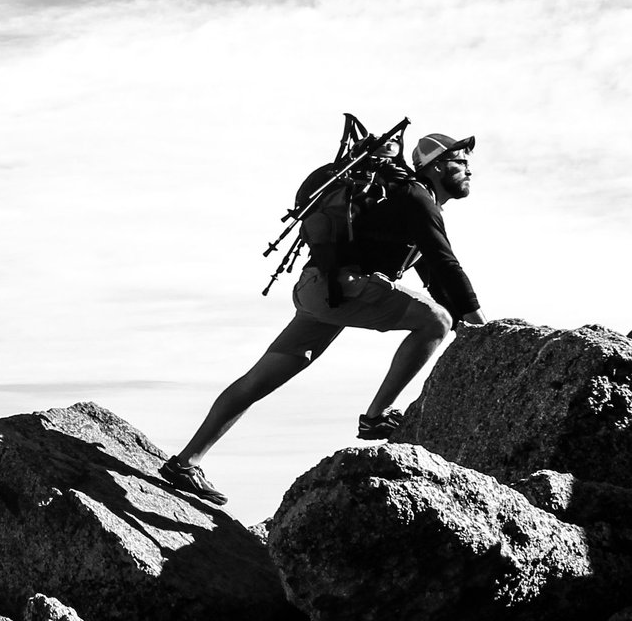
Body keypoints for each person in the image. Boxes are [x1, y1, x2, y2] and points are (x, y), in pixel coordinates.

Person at [158, 132, 484, 506]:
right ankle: (376, 416)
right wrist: (481, 326)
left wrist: (471, 328)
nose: (469, 171)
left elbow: (435, 275)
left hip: (318, 289)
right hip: (339, 288)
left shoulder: (407, 199)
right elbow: (446, 264)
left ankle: (186, 462)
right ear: (438, 166)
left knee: (259, 380)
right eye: (462, 163)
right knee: (435, 321)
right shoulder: (415, 196)